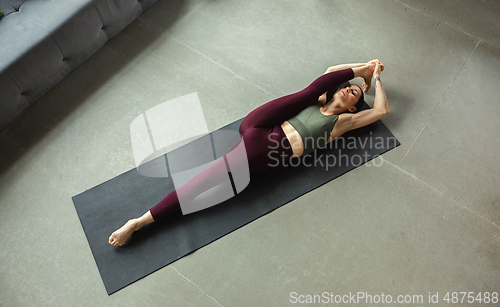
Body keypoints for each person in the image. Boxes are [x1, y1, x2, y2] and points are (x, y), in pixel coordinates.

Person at [109, 60, 389, 246]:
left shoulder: (342, 123)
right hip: (259, 126)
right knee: (309, 90)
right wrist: (365, 66)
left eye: (353, 94)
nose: (348, 91)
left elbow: (380, 110)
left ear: (353, 107)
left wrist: (374, 77)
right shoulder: (317, 100)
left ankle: (138, 222)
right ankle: (361, 67)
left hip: (265, 150)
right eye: (348, 87)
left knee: (199, 184)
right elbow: (330, 72)